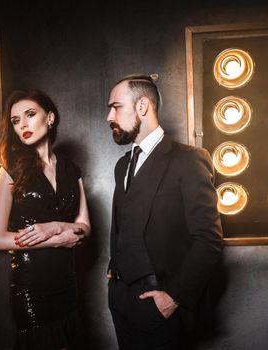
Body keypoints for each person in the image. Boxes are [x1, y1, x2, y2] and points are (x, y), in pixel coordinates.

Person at [106, 75, 223, 350]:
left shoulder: (188, 159)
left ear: (142, 106)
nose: (109, 116)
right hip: (121, 300)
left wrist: (174, 296)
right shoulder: (122, 166)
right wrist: (116, 269)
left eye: (116, 107)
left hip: (160, 303)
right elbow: (127, 226)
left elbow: (208, 239)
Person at [0, 89, 91, 350]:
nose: (22, 124)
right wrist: (52, 240)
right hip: (31, 286)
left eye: (30, 115)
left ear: (50, 118)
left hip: (67, 285)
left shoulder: (71, 169)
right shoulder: (11, 170)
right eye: (15, 121)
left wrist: (55, 226)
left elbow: (84, 226)